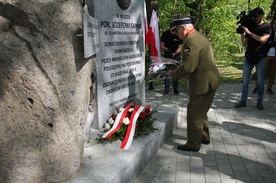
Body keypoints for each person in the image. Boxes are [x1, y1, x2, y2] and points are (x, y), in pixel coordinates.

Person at [167, 15, 221, 152]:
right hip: (209, 81)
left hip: (202, 83)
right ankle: (203, 137)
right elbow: (194, 62)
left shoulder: (191, 41)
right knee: (201, 111)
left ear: (183, 27)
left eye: (176, 30)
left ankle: (193, 144)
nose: (176, 34)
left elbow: (189, 68)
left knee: (194, 113)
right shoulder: (198, 36)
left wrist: (172, 74)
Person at [235, 7, 271, 110]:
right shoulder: (250, 26)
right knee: (245, 81)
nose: (255, 18)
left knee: (260, 82)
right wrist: (242, 32)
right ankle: (243, 100)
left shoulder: (267, 26)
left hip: (260, 58)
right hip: (249, 57)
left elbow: (263, 40)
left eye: (257, 16)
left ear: (262, 15)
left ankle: (259, 102)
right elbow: (244, 43)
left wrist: (249, 33)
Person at [252, 19, 276, 94]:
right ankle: (257, 86)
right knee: (262, 72)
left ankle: (269, 88)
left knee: (273, 73)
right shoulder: (269, 32)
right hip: (267, 55)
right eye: (275, 23)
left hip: (275, 56)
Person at [161, 23, 183, 95]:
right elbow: (162, 45)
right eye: (173, 30)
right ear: (170, 28)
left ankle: (175, 89)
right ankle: (166, 89)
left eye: (175, 31)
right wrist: (166, 49)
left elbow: (180, 47)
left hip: (176, 55)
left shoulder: (178, 34)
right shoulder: (165, 34)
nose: (174, 32)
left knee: (176, 71)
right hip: (167, 55)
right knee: (167, 72)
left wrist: (176, 53)